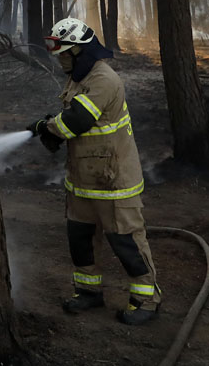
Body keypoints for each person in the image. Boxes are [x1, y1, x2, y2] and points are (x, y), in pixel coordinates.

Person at [27, 17, 161, 326]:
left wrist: (45, 127)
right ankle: (89, 292)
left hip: (114, 181)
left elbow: (76, 121)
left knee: (126, 241)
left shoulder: (103, 79)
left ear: (77, 50)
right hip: (83, 180)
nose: (60, 59)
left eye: (63, 52)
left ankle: (147, 299)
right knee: (81, 239)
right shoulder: (78, 74)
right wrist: (50, 129)